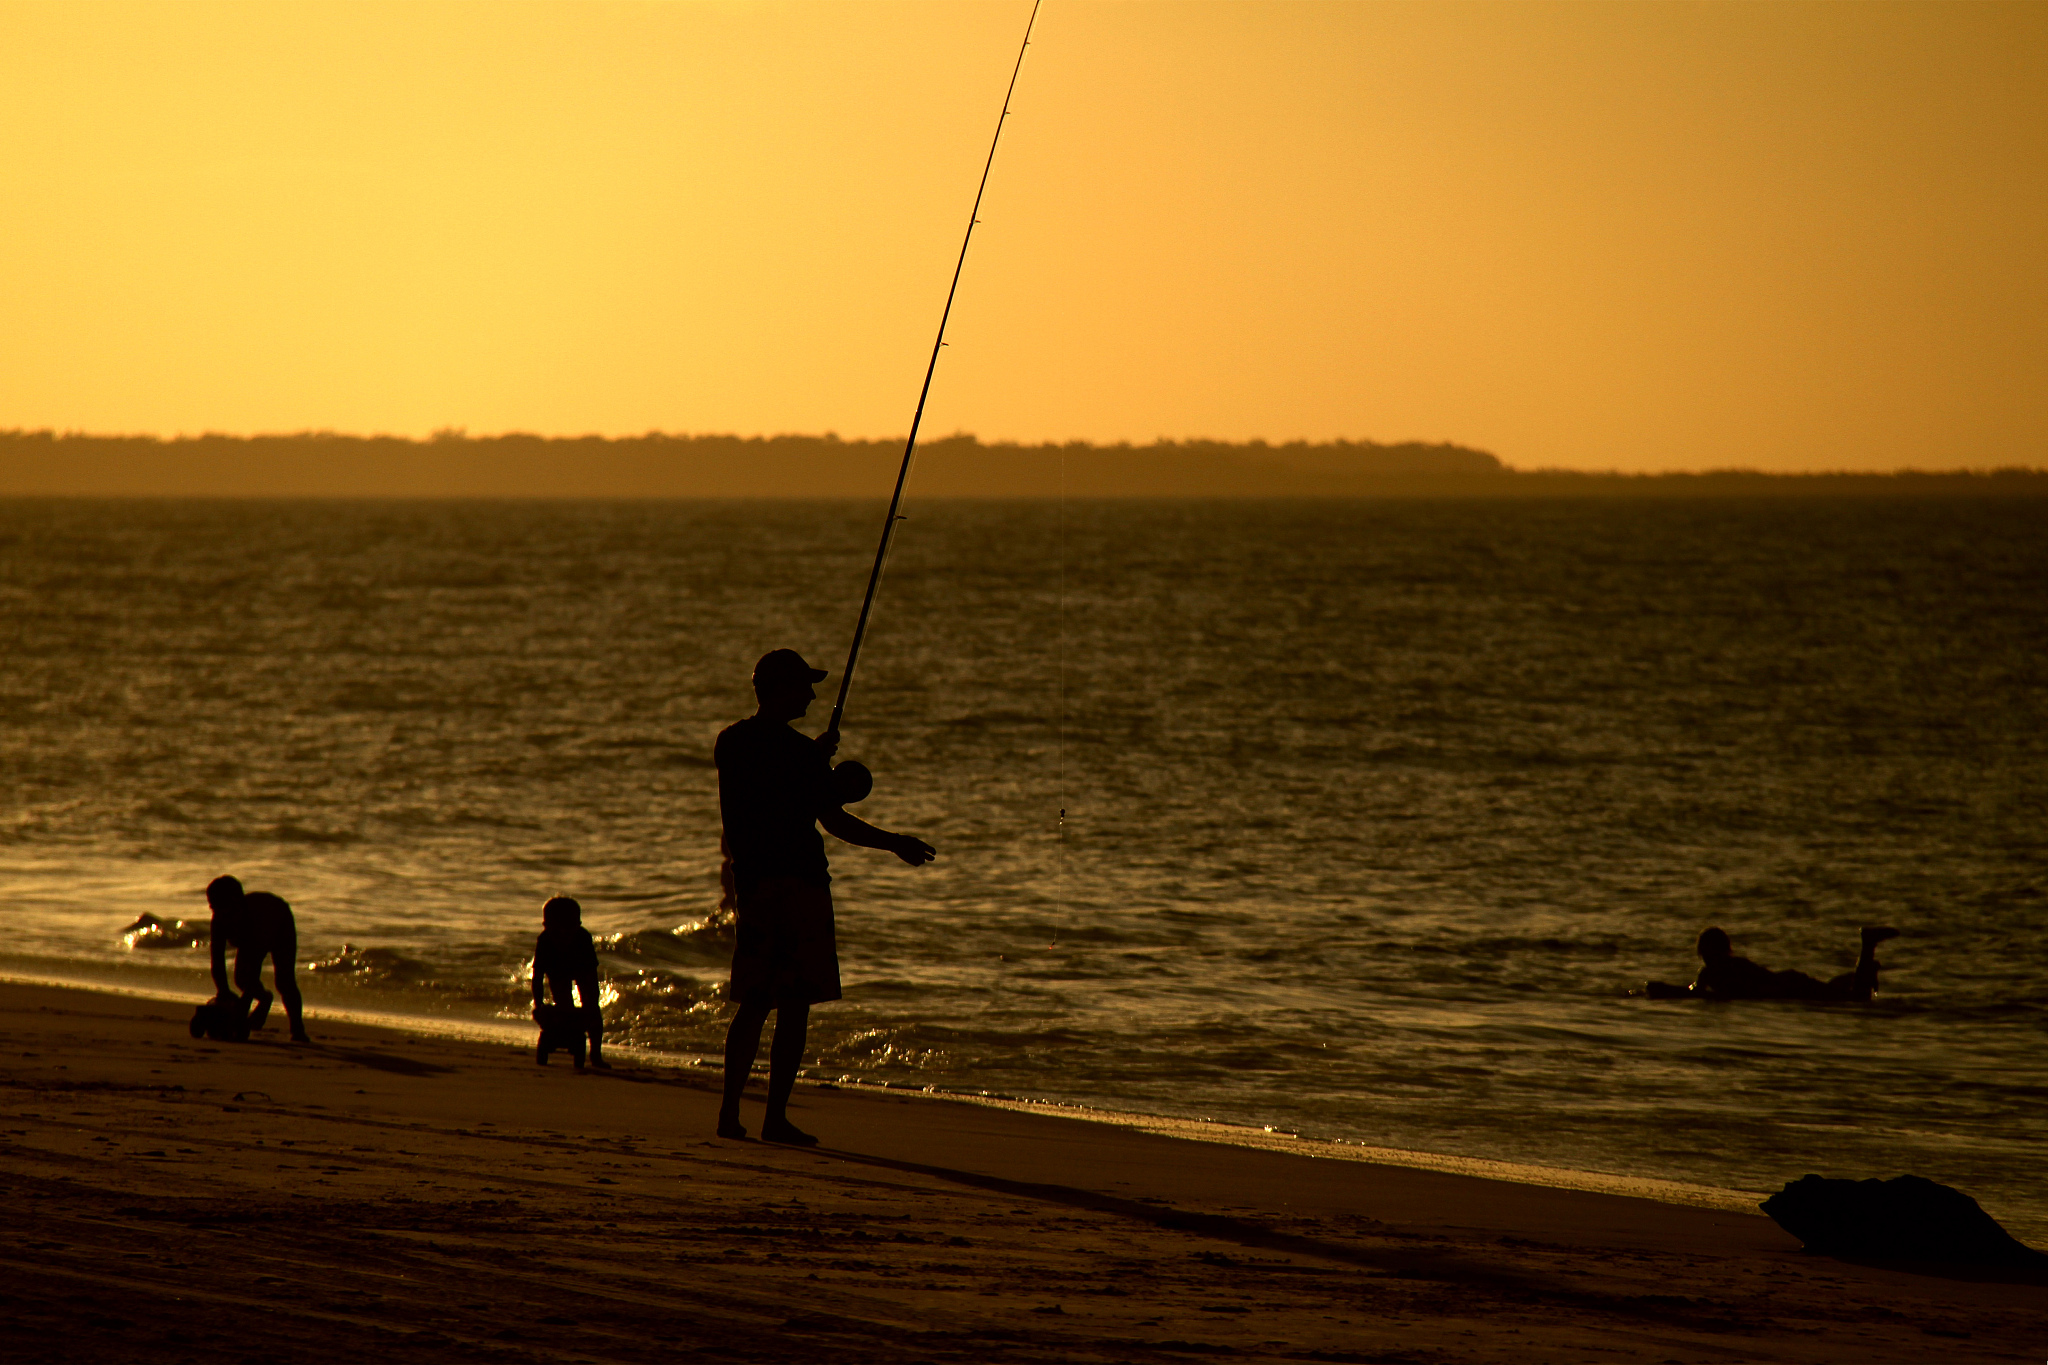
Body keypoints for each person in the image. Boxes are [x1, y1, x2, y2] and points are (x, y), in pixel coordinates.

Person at [714, 648, 935, 1145]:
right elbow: (830, 818)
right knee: (793, 1004)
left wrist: (814, 761)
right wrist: (895, 842)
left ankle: (730, 1114)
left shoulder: (732, 742)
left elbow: (775, 788)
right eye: (804, 687)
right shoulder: (793, 753)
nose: (813, 695)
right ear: (780, 689)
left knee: (755, 1001)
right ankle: (773, 1119)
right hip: (800, 885)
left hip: (753, 885)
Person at [1639, 925, 1899, 1002]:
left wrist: (1662, 990)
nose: (1705, 958)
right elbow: (1693, 993)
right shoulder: (1728, 967)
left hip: (1790, 988)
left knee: (1857, 999)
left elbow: (1694, 995)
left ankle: (1868, 945)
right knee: (1848, 995)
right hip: (1791, 983)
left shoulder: (1715, 974)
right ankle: (1865, 962)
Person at [205, 874, 309, 1042]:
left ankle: (298, 1029)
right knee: (241, 980)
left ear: (236, 902)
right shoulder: (218, 921)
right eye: (213, 906)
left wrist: (242, 1010)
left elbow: (254, 968)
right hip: (251, 938)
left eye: (221, 906)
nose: (217, 912)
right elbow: (217, 961)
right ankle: (265, 998)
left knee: (284, 981)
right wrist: (223, 991)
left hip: (280, 923)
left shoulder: (255, 918)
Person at [532, 895, 608, 1070]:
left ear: (578, 925)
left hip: (581, 967)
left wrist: (590, 1005)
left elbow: (591, 978)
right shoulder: (544, 940)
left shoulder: (583, 939)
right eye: (557, 930)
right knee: (563, 1005)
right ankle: (563, 1036)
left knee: (592, 1010)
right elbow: (538, 976)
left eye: (569, 929)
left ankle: (595, 1054)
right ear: (546, 926)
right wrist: (538, 1005)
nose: (563, 935)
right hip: (556, 969)